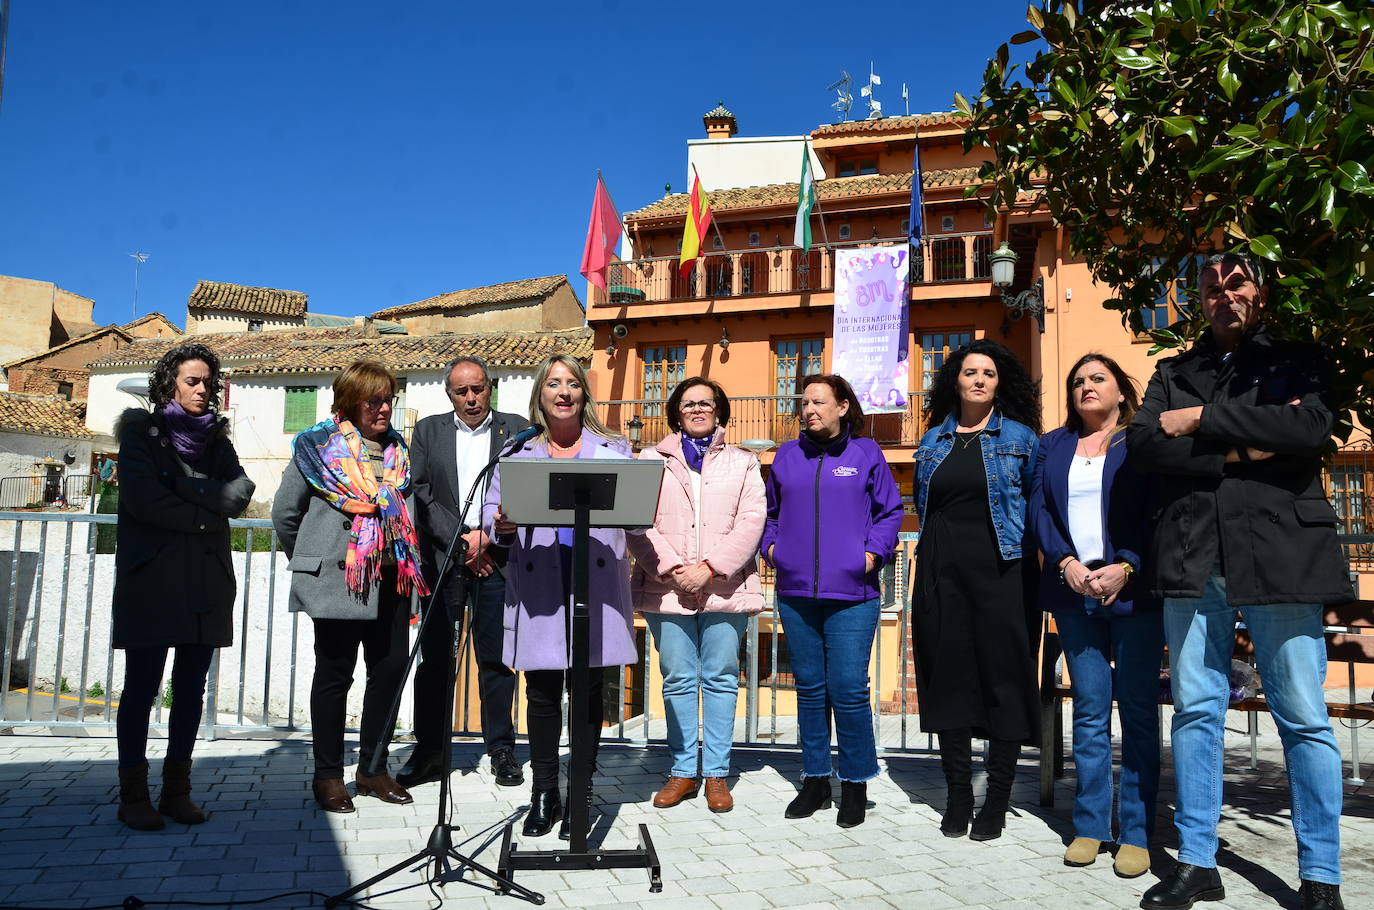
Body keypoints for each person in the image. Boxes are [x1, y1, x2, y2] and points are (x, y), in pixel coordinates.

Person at [1129, 252, 1351, 910]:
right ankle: (1198, 863)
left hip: (1282, 557)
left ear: (1260, 289)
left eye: (1237, 281)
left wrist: (1200, 422)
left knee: (1304, 718)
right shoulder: (1173, 371)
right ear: (1197, 298)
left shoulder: (1298, 360)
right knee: (1197, 712)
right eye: (1211, 285)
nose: (1224, 294)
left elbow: (1309, 428)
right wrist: (1252, 445)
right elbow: (1145, 448)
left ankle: (1321, 876)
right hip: (1196, 556)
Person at [483, 353, 636, 839]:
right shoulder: (516, 454)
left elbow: (634, 514)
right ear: (541, 396)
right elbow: (493, 516)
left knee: (589, 697)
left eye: (572, 383)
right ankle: (544, 793)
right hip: (543, 591)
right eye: (554, 384)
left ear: (584, 394)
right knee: (543, 694)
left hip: (595, 588)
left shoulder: (613, 449)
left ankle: (582, 793)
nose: (564, 391)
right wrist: (500, 526)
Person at [272, 360, 430, 814]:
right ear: (349, 401)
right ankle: (327, 776)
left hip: (393, 581)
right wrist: (316, 563)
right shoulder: (317, 448)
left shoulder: (400, 452)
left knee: (388, 673)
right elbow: (286, 514)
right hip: (340, 581)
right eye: (373, 400)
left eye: (388, 399)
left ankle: (373, 769)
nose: (384, 408)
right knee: (334, 677)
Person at [111, 343, 255, 830]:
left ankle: (177, 790)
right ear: (169, 382)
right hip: (152, 579)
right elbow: (142, 500)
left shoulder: (217, 438)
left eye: (209, 382)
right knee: (141, 689)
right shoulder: (139, 434)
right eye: (193, 381)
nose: (202, 390)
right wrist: (204, 512)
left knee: (191, 689)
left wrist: (183, 488)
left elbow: (240, 493)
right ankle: (133, 795)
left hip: (204, 580)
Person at [1029, 353, 1160, 878]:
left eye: (1097, 378)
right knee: (1088, 711)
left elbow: (1158, 512)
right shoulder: (1053, 445)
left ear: (1121, 392)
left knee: (1138, 711)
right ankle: (1089, 826)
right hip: (1074, 593)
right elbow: (1039, 509)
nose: (1087, 387)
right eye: (1078, 381)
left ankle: (1136, 831)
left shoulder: (1139, 442)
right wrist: (1064, 563)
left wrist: (1127, 565)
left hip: (1132, 595)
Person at [911, 338, 1041, 842]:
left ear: (1000, 382)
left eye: (989, 372)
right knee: (950, 681)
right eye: (970, 372)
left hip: (1004, 575)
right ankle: (959, 795)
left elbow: (1035, 510)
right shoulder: (932, 442)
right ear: (956, 381)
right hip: (943, 575)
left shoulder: (1022, 439)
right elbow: (927, 510)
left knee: (1004, 682)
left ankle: (999, 800)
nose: (980, 379)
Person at [760, 373, 903, 828]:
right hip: (796, 592)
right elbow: (769, 515)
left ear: (843, 406)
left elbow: (890, 512)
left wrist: (870, 555)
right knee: (810, 689)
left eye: (819, 402)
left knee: (847, 688)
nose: (809, 410)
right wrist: (772, 550)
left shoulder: (866, 454)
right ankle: (817, 779)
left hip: (853, 594)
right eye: (804, 403)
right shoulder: (787, 456)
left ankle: (855, 782)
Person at [628, 377, 765, 813]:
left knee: (722, 678)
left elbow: (752, 519)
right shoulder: (650, 460)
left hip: (726, 587)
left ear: (720, 410)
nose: (698, 409)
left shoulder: (744, 463)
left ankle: (717, 774)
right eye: (689, 404)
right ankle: (683, 770)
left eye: (706, 403)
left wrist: (710, 568)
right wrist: (671, 569)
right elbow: (637, 520)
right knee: (679, 680)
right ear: (676, 412)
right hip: (666, 590)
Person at [403, 355, 530, 790]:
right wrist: (461, 539)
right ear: (449, 394)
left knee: (495, 659)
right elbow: (419, 492)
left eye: (478, 388)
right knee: (436, 660)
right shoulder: (428, 431)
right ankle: (430, 752)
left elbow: (526, 487)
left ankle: (501, 749)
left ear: (490, 386)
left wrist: (489, 540)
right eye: (462, 391)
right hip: (444, 560)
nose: (471, 397)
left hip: (499, 559)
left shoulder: (516, 428)